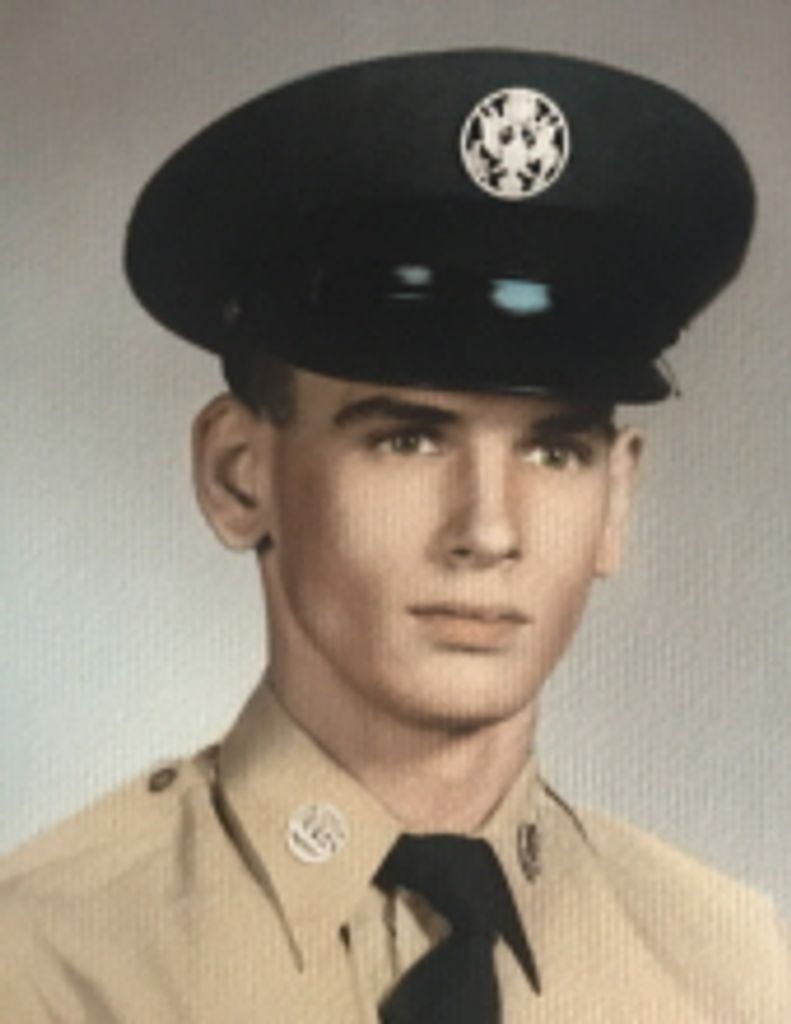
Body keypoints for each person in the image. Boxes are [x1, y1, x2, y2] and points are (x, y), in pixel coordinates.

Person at [1, 49, 789, 1023]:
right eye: (407, 439)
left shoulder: (730, 971)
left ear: (615, 499)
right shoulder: (44, 968)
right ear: (238, 473)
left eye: (553, 451)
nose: (488, 530)